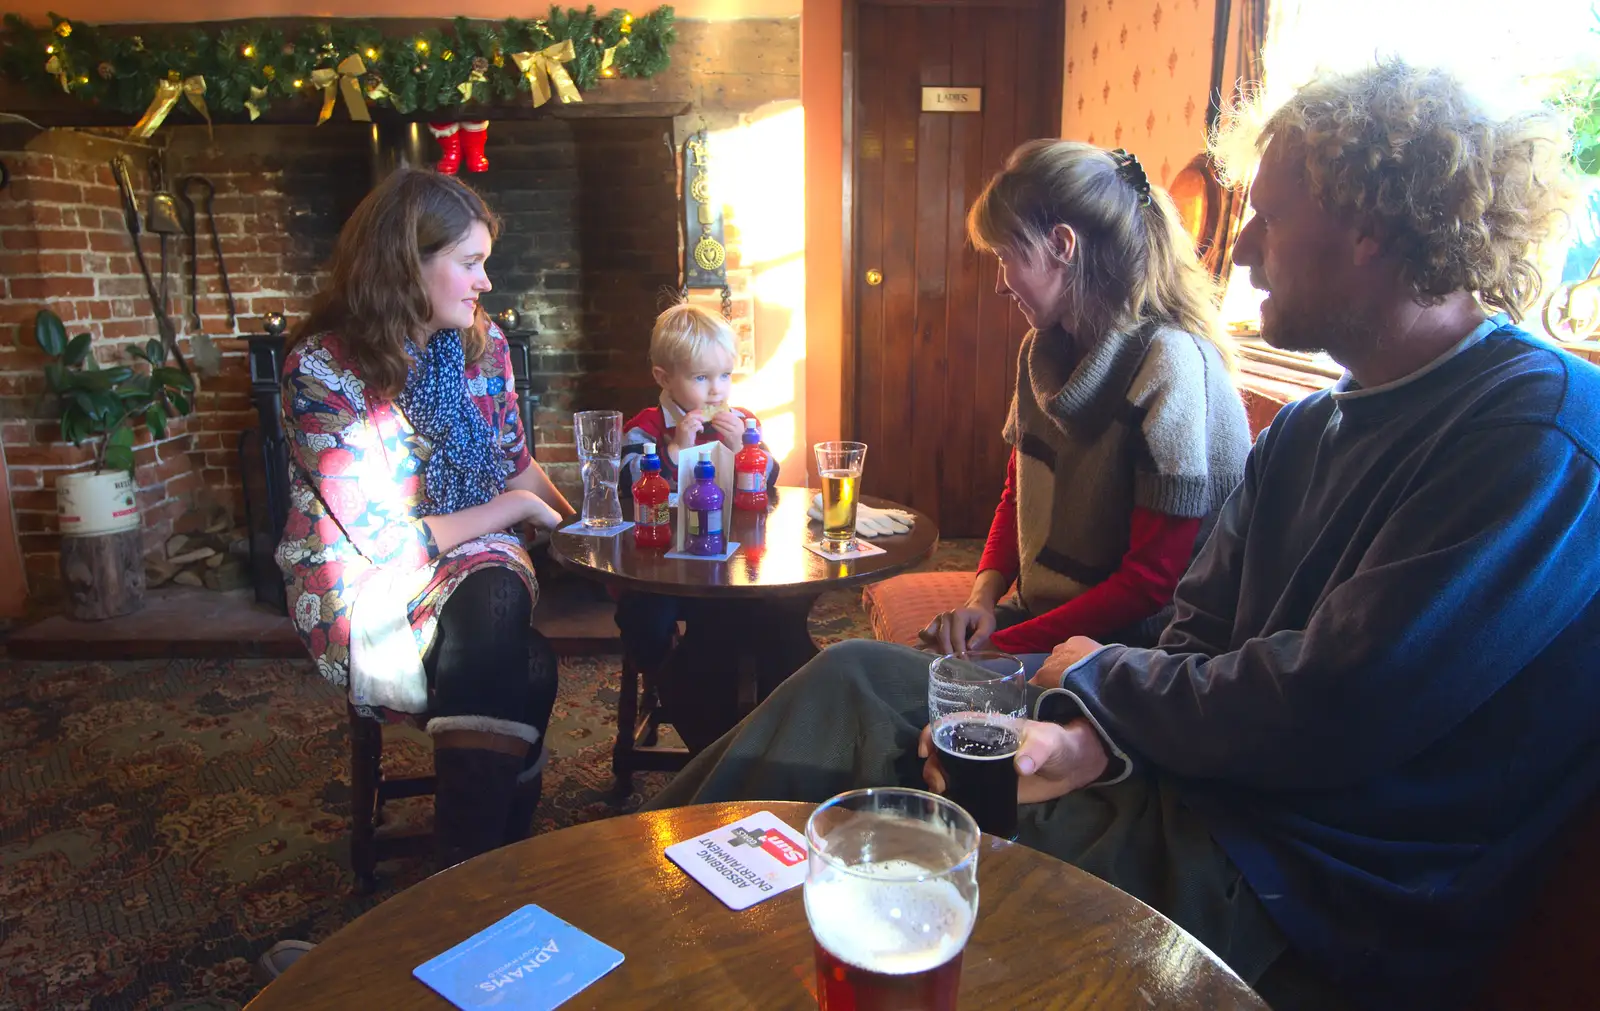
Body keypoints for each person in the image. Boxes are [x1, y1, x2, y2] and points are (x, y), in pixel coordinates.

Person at [647, 60, 1597, 1010]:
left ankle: (667, 944)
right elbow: (1196, 629)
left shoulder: (1536, 430)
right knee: (859, 681)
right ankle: (629, 895)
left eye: (1268, 216)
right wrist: (1088, 739)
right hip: (1195, 787)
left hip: (1303, 886)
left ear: (1370, 225)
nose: (1245, 248)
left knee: (896, 838)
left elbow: (1344, 702)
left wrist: (1094, 697)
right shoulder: (1311, 427)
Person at [276, 168, 573, 870]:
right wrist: (518, 511)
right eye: (470, 263)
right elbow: (384, 540)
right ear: (408, 264)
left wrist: (586, 529)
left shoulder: (480, 342)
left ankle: (463, 874)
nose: (485, 283)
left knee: (500, 611)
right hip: (365, 579)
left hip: (470, 556)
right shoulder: (320, 368)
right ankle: (484, 868)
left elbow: (514, 462)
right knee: (524, 659)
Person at [921, 140, 1250, 658]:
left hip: (1132, 654)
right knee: (860, 670)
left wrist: (1000, 647)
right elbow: (1020, 489)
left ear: (1061, 245)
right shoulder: (1041, 353)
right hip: (1045, 623)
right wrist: (982, 599)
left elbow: (1149, 586)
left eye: (1008, 256)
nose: (1002, 284)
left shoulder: (1171, 366)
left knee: (879, 681)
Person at [614, 303, 779, 676]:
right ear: (664, 378)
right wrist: (674, 451)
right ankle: (669, 678)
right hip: (660, 563)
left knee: (754, 612)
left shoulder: (742, 422)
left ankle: (720, 681)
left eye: (725, 375)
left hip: (728, 557)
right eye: (701, 378)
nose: (716, 389)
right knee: (643, 616)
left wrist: (743, 449)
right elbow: (626, 482)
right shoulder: (648, 427)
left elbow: (769, 477)